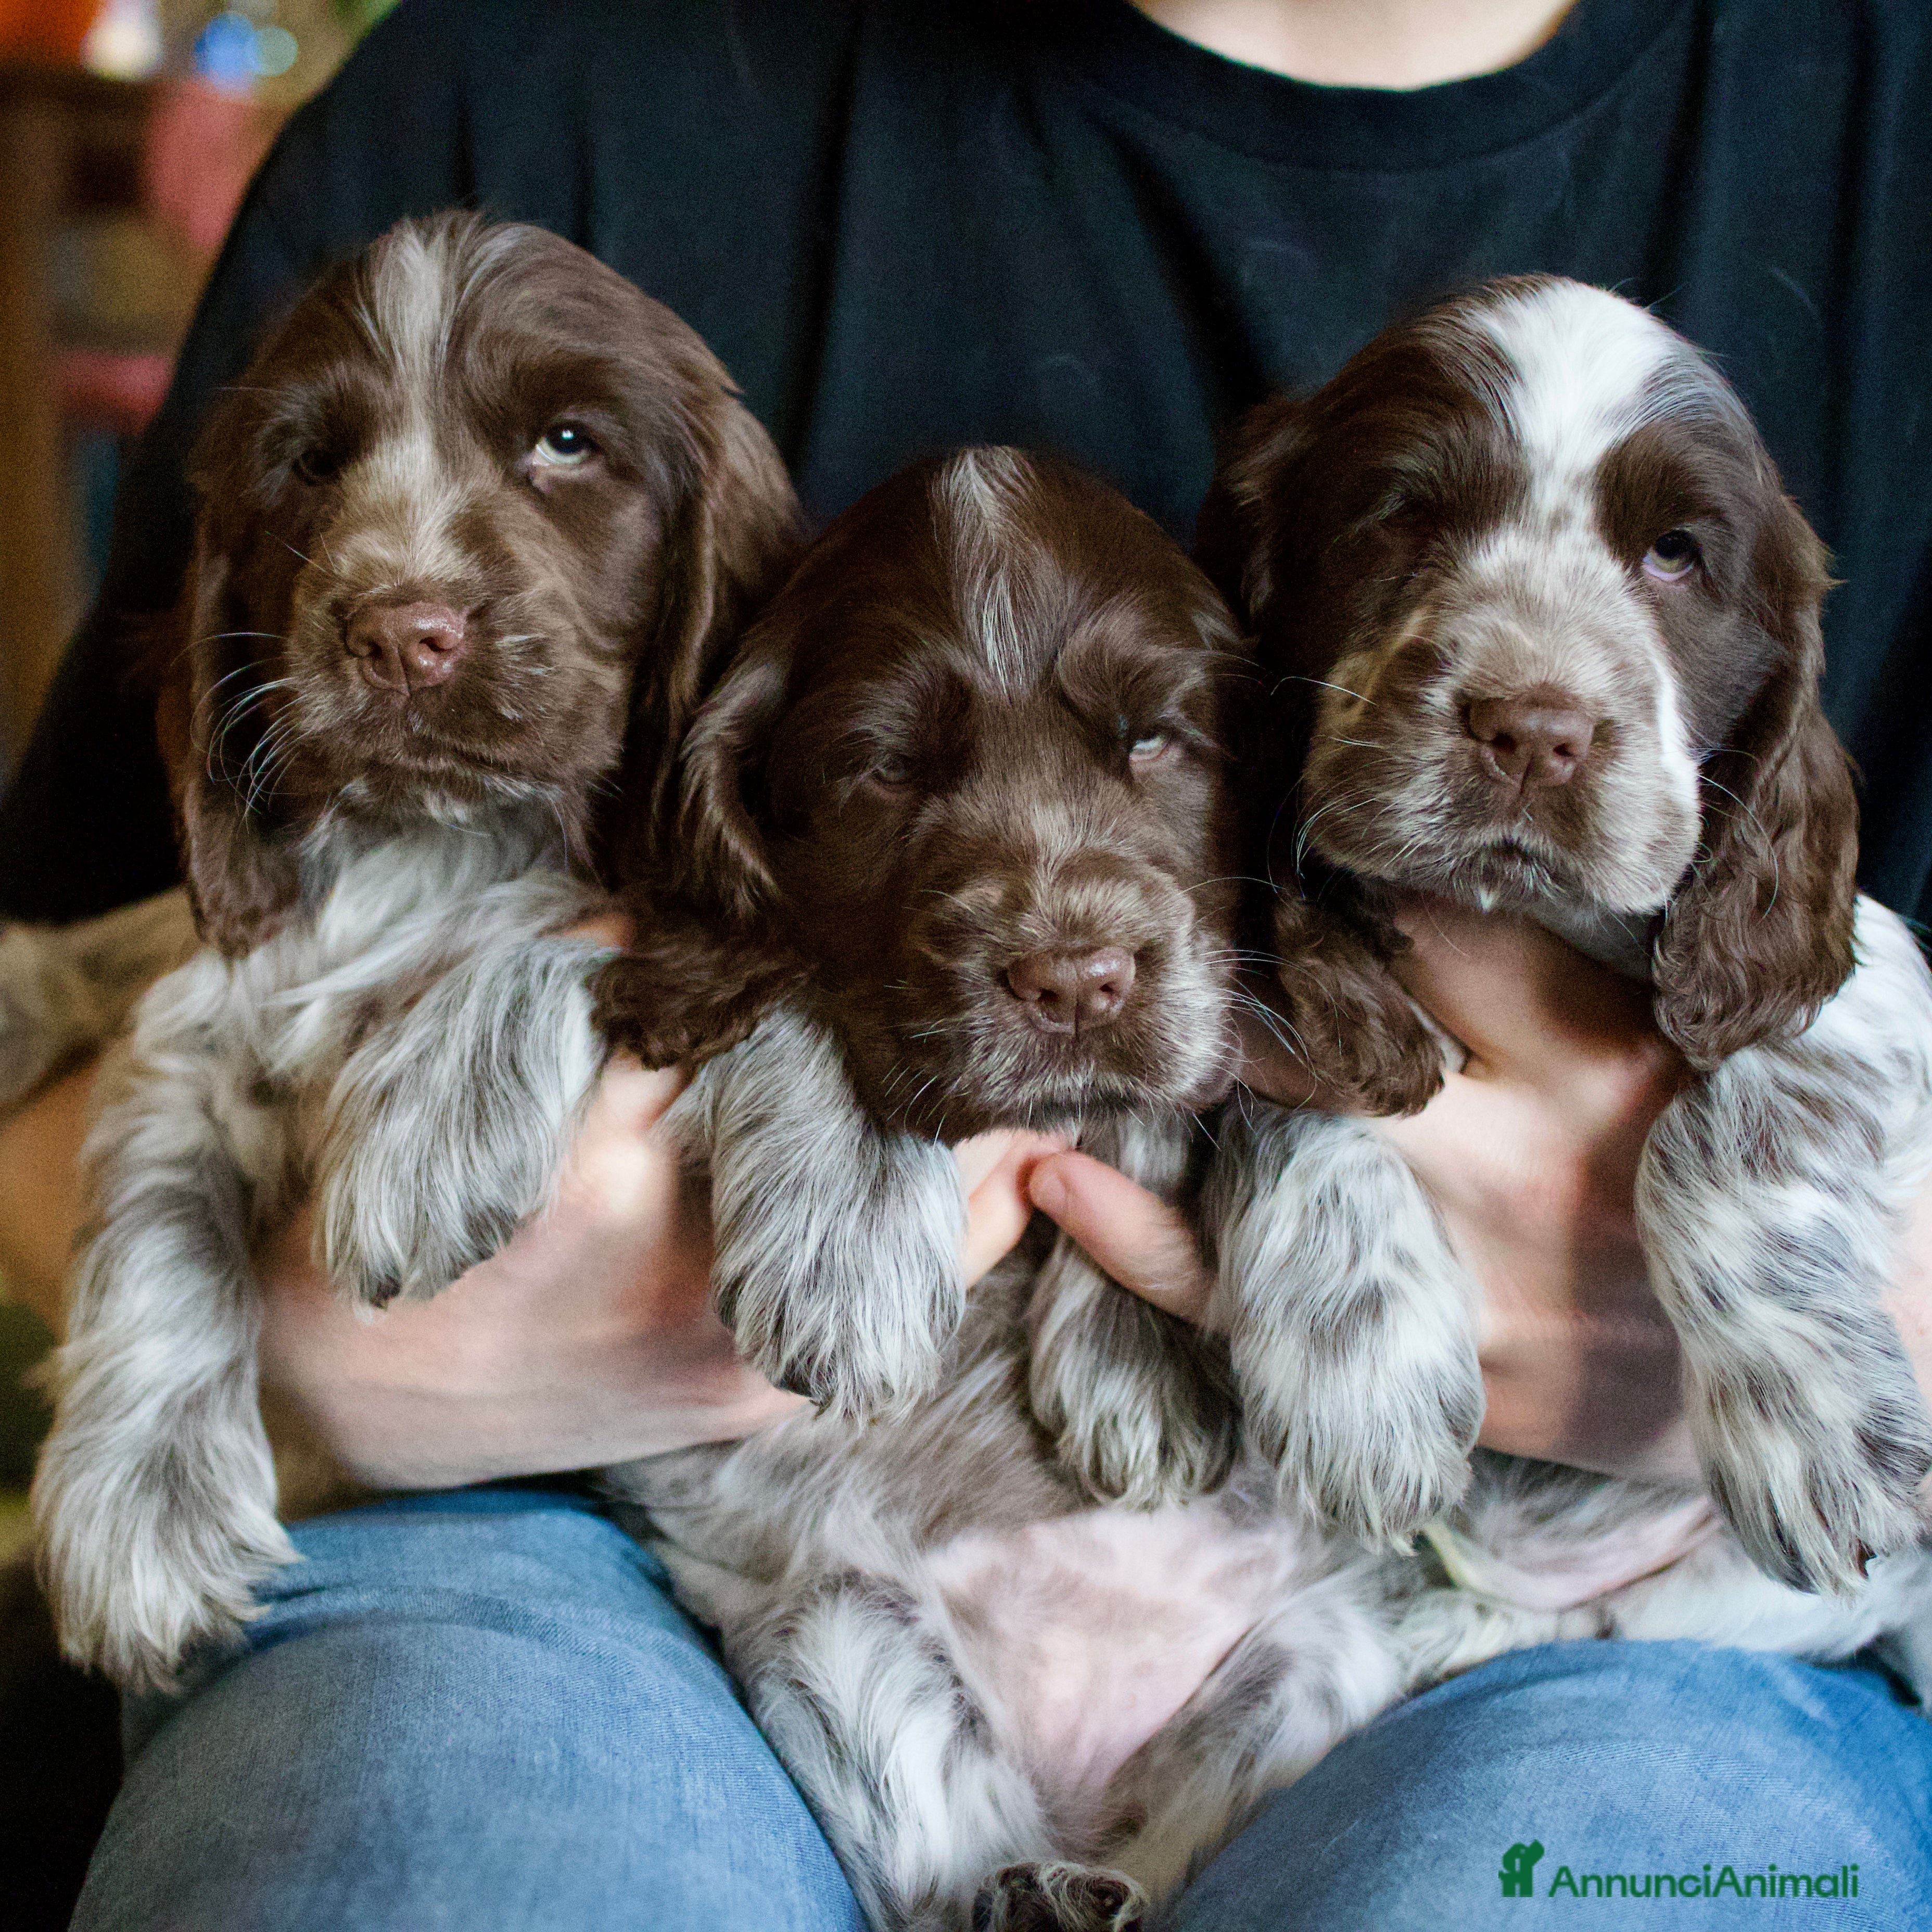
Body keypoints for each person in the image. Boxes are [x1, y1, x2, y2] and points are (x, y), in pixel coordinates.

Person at [2, 1, 1929, 1924]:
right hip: (568, 1528)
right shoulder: (519, 78)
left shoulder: (1883, 121)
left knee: (1614, 1881)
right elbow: (99, 1009)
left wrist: (1821, 1305)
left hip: (1582, 1608)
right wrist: (313, 1360)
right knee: (454, 1857)